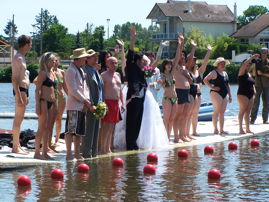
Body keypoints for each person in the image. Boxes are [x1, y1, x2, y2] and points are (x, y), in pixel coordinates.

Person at [65, 48, 91, 161]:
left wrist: (87, 100)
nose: (86, 59)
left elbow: (85, 88)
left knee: (79, 131)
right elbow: (73, 90)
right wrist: (85, 101)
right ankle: (69, 154)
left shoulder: (79, 70)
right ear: (80, 58)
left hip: (81, 105)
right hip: (74, 106)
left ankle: (77, 153)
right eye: (85, 57)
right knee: (70, 130)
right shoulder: (71, 70)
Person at [125, 27, 147, 150]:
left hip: (141, 99)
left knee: (138, 123)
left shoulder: (143, 71)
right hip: (133, 99)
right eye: (142, 60)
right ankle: (129, 144)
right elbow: (130, 56)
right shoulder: (132, 67)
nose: (144, 62)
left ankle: (134, 143)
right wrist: (133, 39)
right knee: (131, 123)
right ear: (137, 60)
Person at [34, 52, 58, 160]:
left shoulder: (52, 72)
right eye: (52, 60)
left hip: (51, 103)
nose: (54, 62)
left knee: (48, 128)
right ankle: (36, 153)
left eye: (55, 60)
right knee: (41, 128)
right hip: (43, 102)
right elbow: (37, 89)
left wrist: (55, 105)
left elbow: (54, 91)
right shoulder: (42, 73)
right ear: (47, 61)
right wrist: (37, 106)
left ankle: (45, 152)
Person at [172, 38, 196, 143]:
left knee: (185, 115)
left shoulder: (185, 68)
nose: (183, 56)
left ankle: (183, 135)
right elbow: (178, 55)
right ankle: (176, 137)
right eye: (181, 55)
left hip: (187, 92)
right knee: (178, 115)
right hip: (179, 91)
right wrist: (180, 44)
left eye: (184, 55)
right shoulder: (175, 66)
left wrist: (193, 47)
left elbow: (190, 59)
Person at [11, 35, 32, 155]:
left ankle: (17, 144)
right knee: (18, 118)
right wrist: (19, 96)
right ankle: (15, 147)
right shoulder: (18, 58)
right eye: (30, 44)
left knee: (21, 118)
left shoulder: (22, 57)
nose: (31, 46)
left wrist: (26, 96)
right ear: (26, 45)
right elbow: (14, 79)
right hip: (20, 89)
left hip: (24, 90)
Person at [99, 57, 125, 154]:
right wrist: (103, 104)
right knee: (107, 126)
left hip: (116, 103)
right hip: (107, 102)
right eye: (112, 63)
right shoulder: (104, 75)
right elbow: (100, 91)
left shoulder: (118, 74)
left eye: (116, 63)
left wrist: (123, 103)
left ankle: (108, 147)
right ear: (107, 64)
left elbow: (120, 89)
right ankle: (102, 149)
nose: (114, 65)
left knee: (112, 127)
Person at [160, 34, 182, 144]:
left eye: (170, 64)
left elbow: (177, 58)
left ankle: (168, 138)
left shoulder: (172, 73)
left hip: (175, 98)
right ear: (164, 66)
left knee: (171, 120)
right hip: (167, 99)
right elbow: (161, 84)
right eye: (168, 65)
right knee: (166, 120)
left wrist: (179, 44)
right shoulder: (162, 75)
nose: (169, 66)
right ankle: (166, 139)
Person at [82, 49, 104, 158]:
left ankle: (94, 155)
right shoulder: (85, 70)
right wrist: (90, 104)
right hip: (90, 106)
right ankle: (87, 155)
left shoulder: (95, 71)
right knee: (89, 130)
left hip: (98, 106)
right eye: (93, 56)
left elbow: (100, 89)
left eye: (96, 56)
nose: (96, 58)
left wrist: (103, 104)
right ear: (87, 59)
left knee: (95, 132)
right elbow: (87, 89)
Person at [203, 57, 232, 135]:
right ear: (218, 64)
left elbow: (227, 84)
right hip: (216, 93)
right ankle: (216, 129)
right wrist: (212, 87)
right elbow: (205, 80)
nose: (223, 65)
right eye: (221, 64)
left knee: (222, 112)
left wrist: (230, 95)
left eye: (224, 64)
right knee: (217, 111)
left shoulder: (225, 73)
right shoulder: (214, 72)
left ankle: (222, 129)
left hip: (225, 94)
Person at [190, 44, 212, 137]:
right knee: (188, 114)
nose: (194, 63)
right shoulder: (187, 71)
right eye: (193, 61)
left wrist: (208, 51)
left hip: (199, 94)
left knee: (195, 114)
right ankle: (186, 132)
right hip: (190, 94)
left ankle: (194, 131)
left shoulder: (200, 72)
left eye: (195, 62)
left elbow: (205, 62)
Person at [237, 54, 259, 134]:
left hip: (250, 95)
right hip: (242, 94)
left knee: (248, 112)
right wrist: (252, 57)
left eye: (250, 66)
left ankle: (247, 128)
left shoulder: (249, 74)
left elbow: (252, 84)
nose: (248, 67)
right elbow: (244, 64)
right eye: (247, 66)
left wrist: (255, 92)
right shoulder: (241, 72)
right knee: (242, 112)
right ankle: (240, 129)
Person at [50, 54, 68, 148]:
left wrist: (70, 96)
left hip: (61, 97)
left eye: (57, 60)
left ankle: (57, 139)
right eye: (54, 60)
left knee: (59, 119)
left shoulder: (62, 72)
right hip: (53, 98)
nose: (56, 62)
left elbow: (65, 86)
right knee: (52, 119)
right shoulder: (49, 72)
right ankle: (50, 139)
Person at [250, 48, 269, 124]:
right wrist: (255, 63)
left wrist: (263, 73)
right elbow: (254, 74)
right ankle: (252, 119)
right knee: (255, 102)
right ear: (260, 53)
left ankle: (265, 120)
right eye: (262, 52)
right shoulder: (257, 62)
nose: (263, 54)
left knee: (266, 103)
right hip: (258, 85)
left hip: (267, 85)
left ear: (267, 53)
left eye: (265, 52)